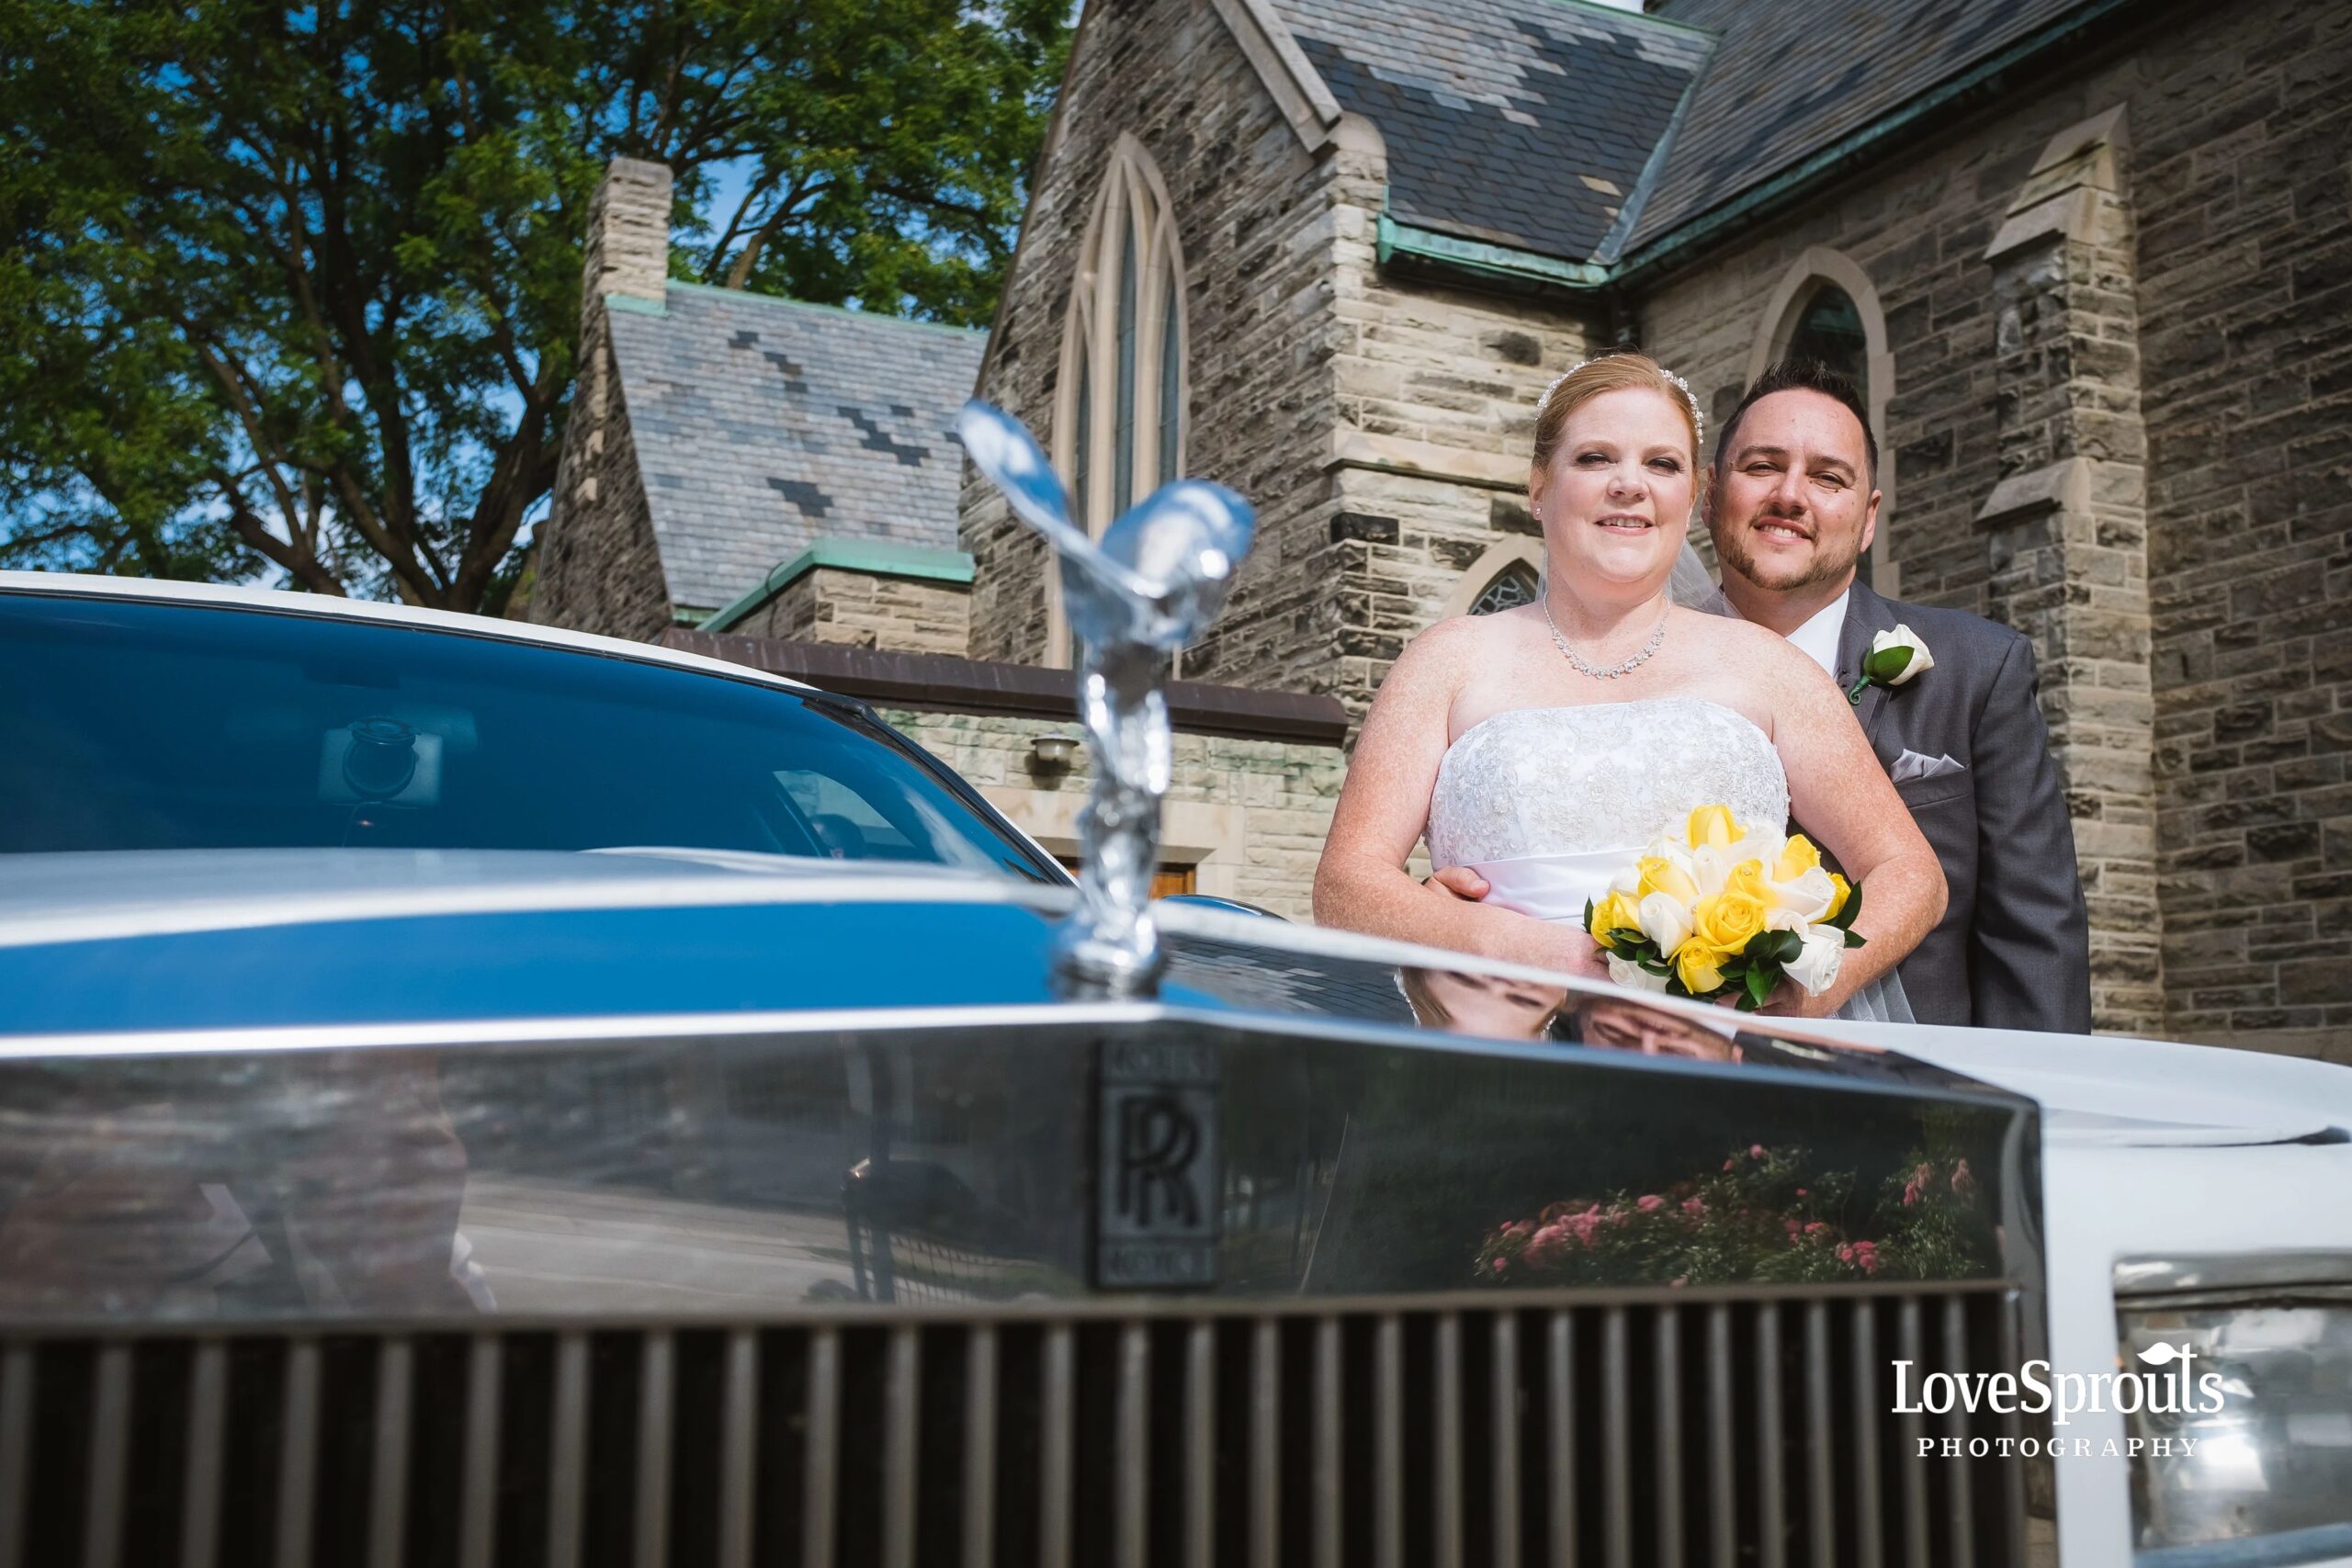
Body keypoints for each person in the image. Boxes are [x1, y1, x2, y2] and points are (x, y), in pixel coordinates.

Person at [1313, 351, 1945, 1020]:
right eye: (1595, 458)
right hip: (1490, 1042)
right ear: (1538, 485)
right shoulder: (1446, 660)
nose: (1629, 485)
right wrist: (1527, 951)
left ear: (1693, 495)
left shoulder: (1770, 667)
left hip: (1714, 1052)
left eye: (1662, 464)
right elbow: (1345, 886)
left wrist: (1810, 986)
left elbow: (1910, 872)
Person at [1696, 360, 2091, 1030]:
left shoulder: (1977, 669)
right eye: (1762, 466)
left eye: (1828, 478)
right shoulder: (1634, 672)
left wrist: (2028, 1095)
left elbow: (2034, 932)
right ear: (1711, 494)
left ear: (1869, 518)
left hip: (1915, 1080)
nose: (1790, 495)